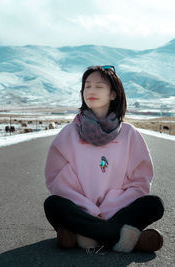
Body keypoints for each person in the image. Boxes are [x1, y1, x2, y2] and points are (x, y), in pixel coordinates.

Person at [44, 65, 164, 253]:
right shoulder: (68, 134)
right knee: (53, 204)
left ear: (113, 94)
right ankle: (127, 240)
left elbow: (140, 182)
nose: (91, 90)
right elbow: (57, 181)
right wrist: (91, 211)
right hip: (81, 211)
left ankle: (85, 235)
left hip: (118, 211)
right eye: (87, 86)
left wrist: (108, 209)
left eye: (99, 86)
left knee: (154, 204)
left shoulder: (129, 134)